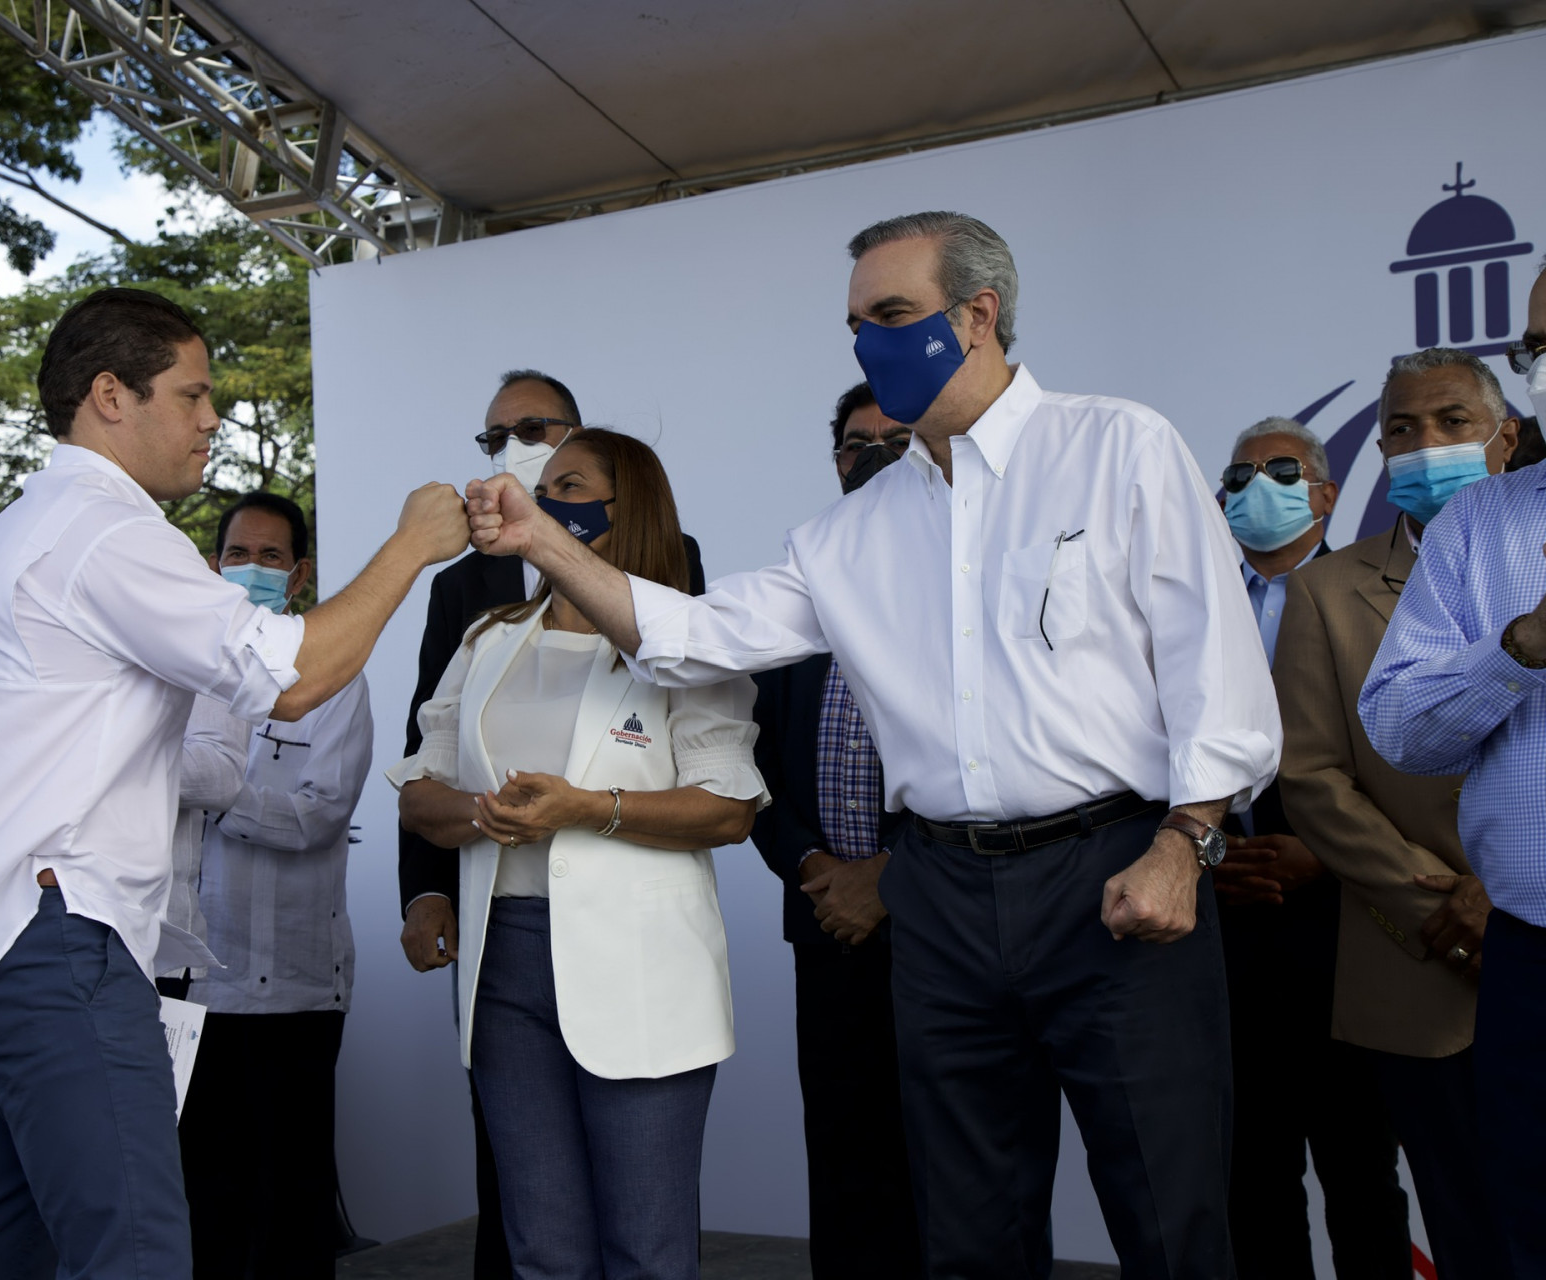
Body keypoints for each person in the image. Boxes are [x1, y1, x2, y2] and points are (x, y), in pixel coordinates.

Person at [467, 212, 1281, 1279]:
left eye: (892, 315)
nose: (868, 344)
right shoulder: (849, 531)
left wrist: (1187, 840)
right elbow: (694, 635)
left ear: (978, 315)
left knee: (1169, 1217)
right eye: (856, 325)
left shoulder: (1118, 447)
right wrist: (539, 538)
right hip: (940, 897)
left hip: (1116, 872)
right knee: (966, 1232)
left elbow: (1216, 667)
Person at [0, 287, 470, 1280]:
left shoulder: (21, 532)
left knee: (1, 1250)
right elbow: (290, 679)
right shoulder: (104, 531)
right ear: (111, 396)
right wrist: (412, 546)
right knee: (138, 1253)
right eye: (193, 393)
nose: (213, 419)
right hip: (55, 937)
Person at [394, 429, 766, 1280]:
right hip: (504, 966)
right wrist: (485, 812)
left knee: (647, 1247)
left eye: (568, 485)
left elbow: (729, 809)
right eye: (544, 486)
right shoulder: (487, 640)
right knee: (543, 1248)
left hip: (641, 968)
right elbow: (420, 793)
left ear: (626, 507)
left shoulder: (689, 641)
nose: (544, 500)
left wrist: (585, 809)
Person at [1276, 348, 1521, 1279]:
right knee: (1465, 1225)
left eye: (1453, 422)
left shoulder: (1535, 566)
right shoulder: (1324, 592)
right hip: (1422, 960)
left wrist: (1508, 892)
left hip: (1533, 927)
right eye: (1403, 429)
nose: (1427, 444)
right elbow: (1313, 777)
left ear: (1505, 438)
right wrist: (1439, 905)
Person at [1361, 327, 1546, 1274]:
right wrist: (1519, 648)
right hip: (1534, 955)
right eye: (1538, 345)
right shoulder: (1482, 527)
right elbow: (1398, 728)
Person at [1211, 418, 1410, 1277]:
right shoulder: (1190, 604)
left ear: (1326, 495)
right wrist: (1208, 858)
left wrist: (1326, 855)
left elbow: (1414, 759)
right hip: (1224, 922)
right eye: (1239, 476)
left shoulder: (1382, 596)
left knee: (1360, 1166)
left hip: (1350, 922)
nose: (1257, 487)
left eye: (1283, 472)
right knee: (1251, 1173)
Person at [747, 381, 921, 1280]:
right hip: (826, 927)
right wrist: (816, 868)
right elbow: (756, 772)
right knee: (846, 1161)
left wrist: (887, 879)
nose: (874, 459)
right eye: (857, 444)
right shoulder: (799, 587)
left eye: (897, 442)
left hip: (944, 927)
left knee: (956, 1166)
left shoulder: (966, 584)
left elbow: (997, 771)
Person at [177, 492, 374, 1279]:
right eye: (237, 554)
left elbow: (318, 816)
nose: (250, 569)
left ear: (299, 575)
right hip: (185, 990)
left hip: (293, 988)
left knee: (291, 1208)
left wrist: (212, 788)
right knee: (203, 1201)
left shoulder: (332, 677)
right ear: (212, 565)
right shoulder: (179, 671)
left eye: (269, 557)